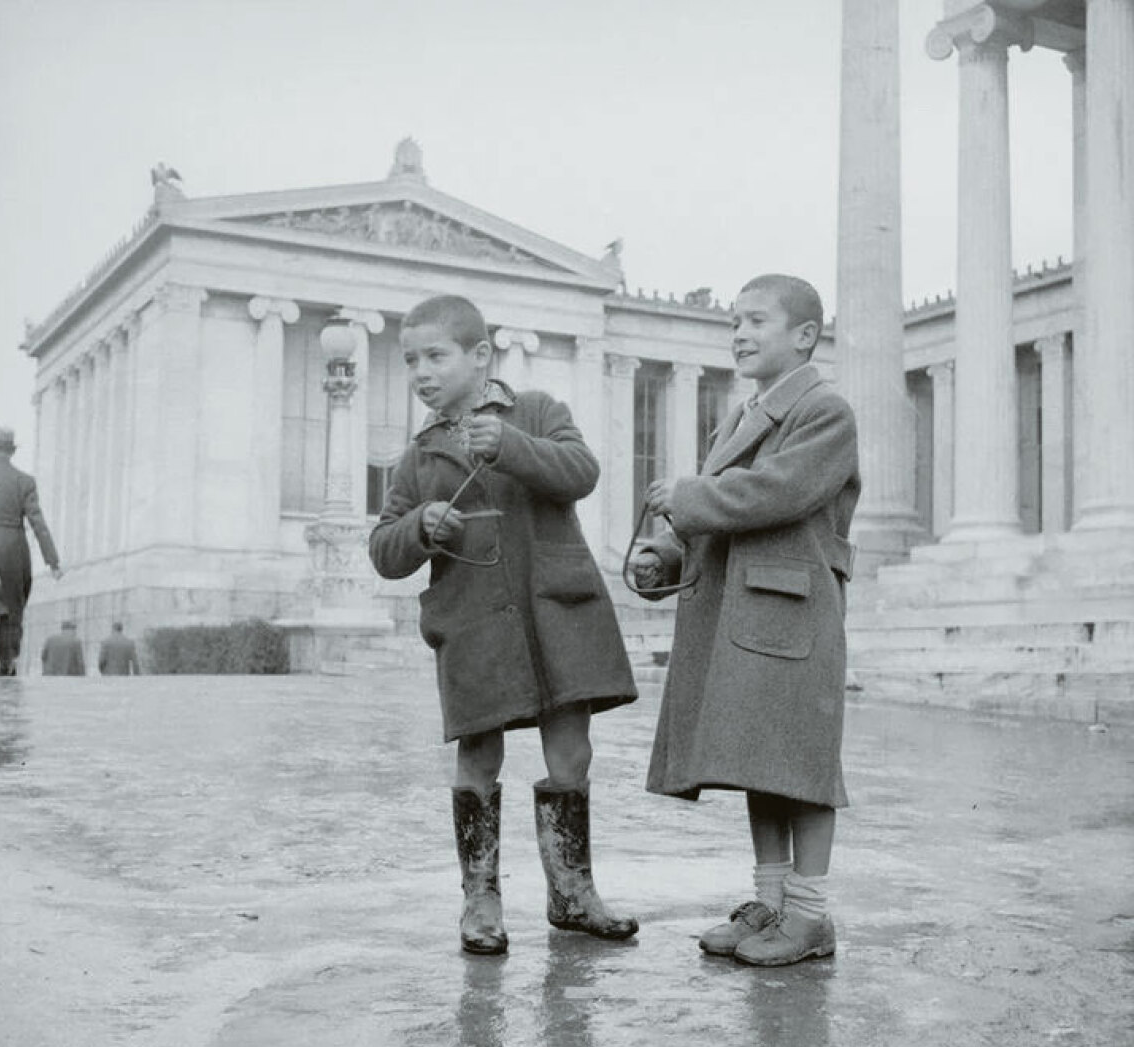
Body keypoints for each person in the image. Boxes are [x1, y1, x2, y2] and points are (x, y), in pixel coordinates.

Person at [369, 294, 639, 956]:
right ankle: (481, 902)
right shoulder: (420, 455)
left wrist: (512, 445)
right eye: (411, 361)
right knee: (478, 753)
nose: (421, 373)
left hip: (557, 612)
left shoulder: (538, 412)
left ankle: (573, 895)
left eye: (436, 356)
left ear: (480, 355)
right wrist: (419, 527)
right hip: (474, 625)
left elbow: (582, 473)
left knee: (570, 749)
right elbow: (383, 549)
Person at [629, 274, 861, 967]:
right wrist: (664, 556)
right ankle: (770, 905)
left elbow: (776, 492)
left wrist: (690, 496)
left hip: (795, 610)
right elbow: (721, 522)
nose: (739, 333)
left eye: (756, 320)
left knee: (804, 767)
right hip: (746, 607)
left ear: (806, 336)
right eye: (734, 321)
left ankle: (811, 916)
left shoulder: (825, 411)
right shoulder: (738, 417)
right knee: (762, 761)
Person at [0, 425, 62, 679]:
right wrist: (52, 560)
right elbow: (37, 522)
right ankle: (6, 662)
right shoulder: (25, 481)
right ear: (11, 451)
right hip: (13, 549)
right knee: (11, 606)